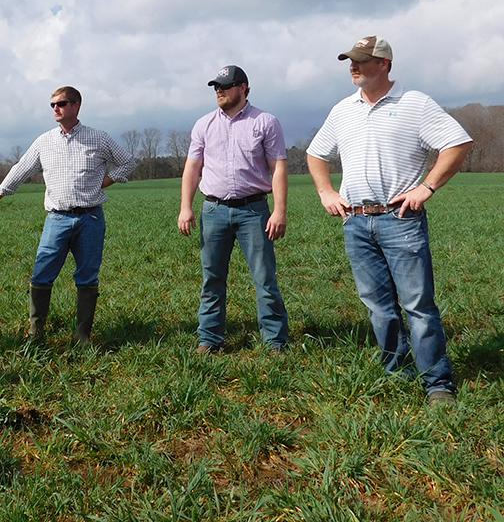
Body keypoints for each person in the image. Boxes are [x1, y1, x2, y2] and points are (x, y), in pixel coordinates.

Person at [306, 36, 473, 405]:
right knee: (377, 304)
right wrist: (326, 192)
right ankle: (395, 371)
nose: (353, 67)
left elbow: (457, 143)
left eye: (362, 61)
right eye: (350, 61)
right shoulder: (342, 110)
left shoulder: (414, 104)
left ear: (384, 64)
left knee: (417, 305)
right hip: (356, 222)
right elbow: (317, 154)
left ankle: (437, 384)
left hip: (401, 220)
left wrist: (427, 187)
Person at [0, 86, 136, 344]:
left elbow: (128, 161)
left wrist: (107, 181)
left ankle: (82, 335)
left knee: (87, 276)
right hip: (57, 219)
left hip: (91, 219)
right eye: (52, 105)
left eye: (61, 103)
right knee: (41, 274)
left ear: (76, 106)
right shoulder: (44, 141)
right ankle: (36, 333)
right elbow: (22, 169)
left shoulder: (99, 138)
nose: (55, 109)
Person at [178, 65, 289, 354]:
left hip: (253, 211)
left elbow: (278, 167)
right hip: (213, 211)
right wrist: (185, 207)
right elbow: (192, 168)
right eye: (216, 86)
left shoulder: (265, 122)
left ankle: (274, 340)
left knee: (264, 278)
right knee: (212, 278)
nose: (219, 91)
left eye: (225, 86)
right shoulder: (203, 124)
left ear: (244, 88)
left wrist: (279, 211)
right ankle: (209, 339)